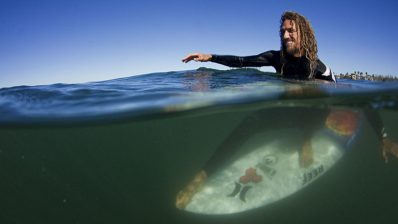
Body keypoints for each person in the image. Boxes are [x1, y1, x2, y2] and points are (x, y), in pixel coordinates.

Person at [176, 11, 398, 209]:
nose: (285, 36)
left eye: (291, 31)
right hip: (290, 112)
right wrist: (211, 57)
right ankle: (201, 176)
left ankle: (306, 138)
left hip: (316, 116)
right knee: (251, 121)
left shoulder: (318, 69)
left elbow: (357, 101)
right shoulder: (277, 58)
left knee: (313, 112)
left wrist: (383, 137)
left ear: (304, 33)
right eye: (282, 31)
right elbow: (243, 61)